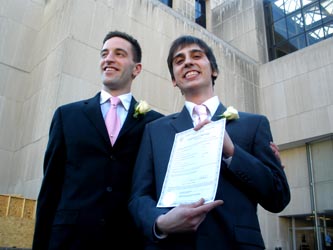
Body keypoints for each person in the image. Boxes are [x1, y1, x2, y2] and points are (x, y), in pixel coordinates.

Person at [128, 35, 291, 249]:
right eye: (179, 60)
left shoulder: (254, 124)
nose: (187, 62)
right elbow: (139, 197)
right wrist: (160, 223)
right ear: (174, 80)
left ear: (213, 70)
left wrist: (233, 152)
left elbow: (278, 197)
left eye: (196, 56)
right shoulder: (155, 131)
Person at [32, 31, 163, 250]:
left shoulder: (155, 124)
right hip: (68, 241)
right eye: (104, 54)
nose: (108, 59)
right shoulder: (67, 115)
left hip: (128, 241)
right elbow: (50, 187)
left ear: (136, 69)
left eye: (119, 54)